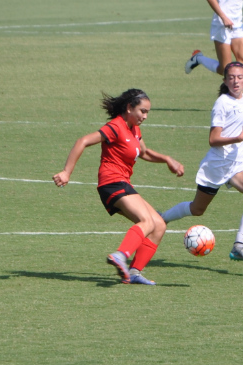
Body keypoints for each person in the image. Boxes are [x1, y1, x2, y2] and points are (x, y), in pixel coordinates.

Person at [53, 89, 184, 285]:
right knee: (146, 220)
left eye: (147, 112)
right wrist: (66, 172)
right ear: (129, 108)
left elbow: (144, 153)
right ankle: (121, 255)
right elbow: (83, 141)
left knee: (159, 225)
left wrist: (167, 159)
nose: (145, 116)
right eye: (142, 111)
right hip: (112, 182)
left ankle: (134, 272)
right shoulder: (116, 126)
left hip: (122, 183)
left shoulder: (134, 129)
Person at [162, 62, 243, 262]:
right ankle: (162, 218)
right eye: (231, 77)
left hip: (239, 163)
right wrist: (237, 139)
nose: (235, 81)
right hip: (218, 165)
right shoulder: (222, 103)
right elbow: (213, 140)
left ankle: (239, 245)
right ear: (225, 80)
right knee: (197, 210)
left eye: (239, 77)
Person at [185, 0, 243, 76]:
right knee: (225, 69)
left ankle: (236, 89)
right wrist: (223, 17)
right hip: (221, 25)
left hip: (238, 26)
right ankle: (199, 58)